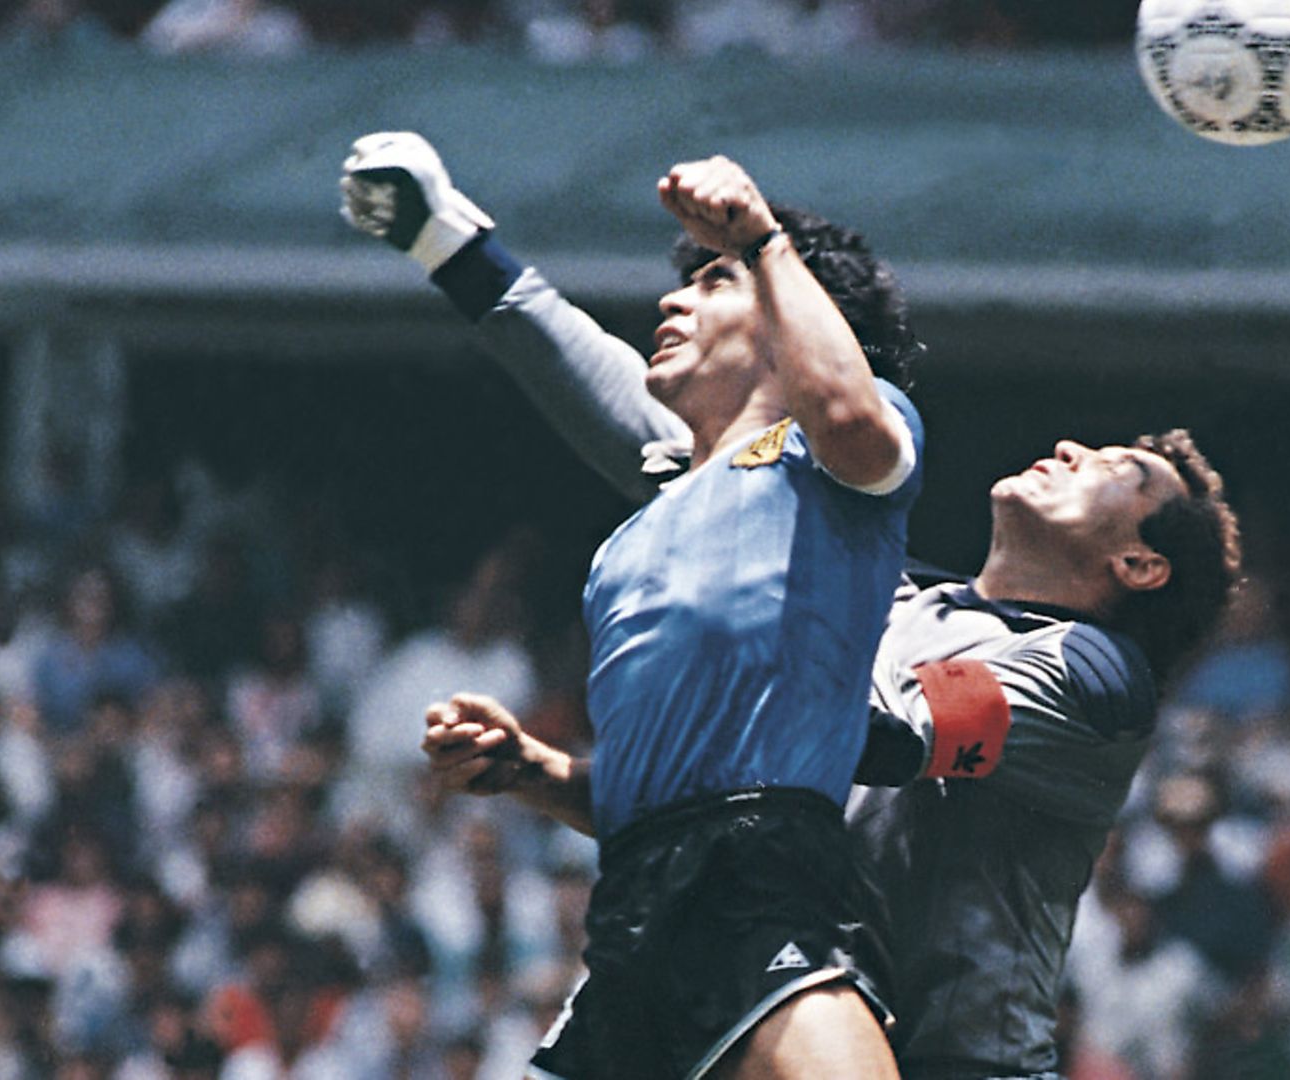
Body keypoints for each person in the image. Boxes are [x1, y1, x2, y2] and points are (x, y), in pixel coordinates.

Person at [343, 133, 1241, 1079]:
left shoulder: (1091, 678)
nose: (1073, 447)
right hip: (765, 983)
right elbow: (718, 779)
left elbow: (872, 740)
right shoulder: (879, 600)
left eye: (1121, 471)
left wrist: (735, 602)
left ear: (1141, 565)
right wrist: (548, 774)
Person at [340, 132, 924, 1079]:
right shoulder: (642, 535)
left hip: (763, 895)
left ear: (792, 319)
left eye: (712, 283)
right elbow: (649, 797)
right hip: (633, 922)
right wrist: (535, 770)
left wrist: (767, 242)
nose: (672, 299)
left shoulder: (840, 464)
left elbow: (846, 409)